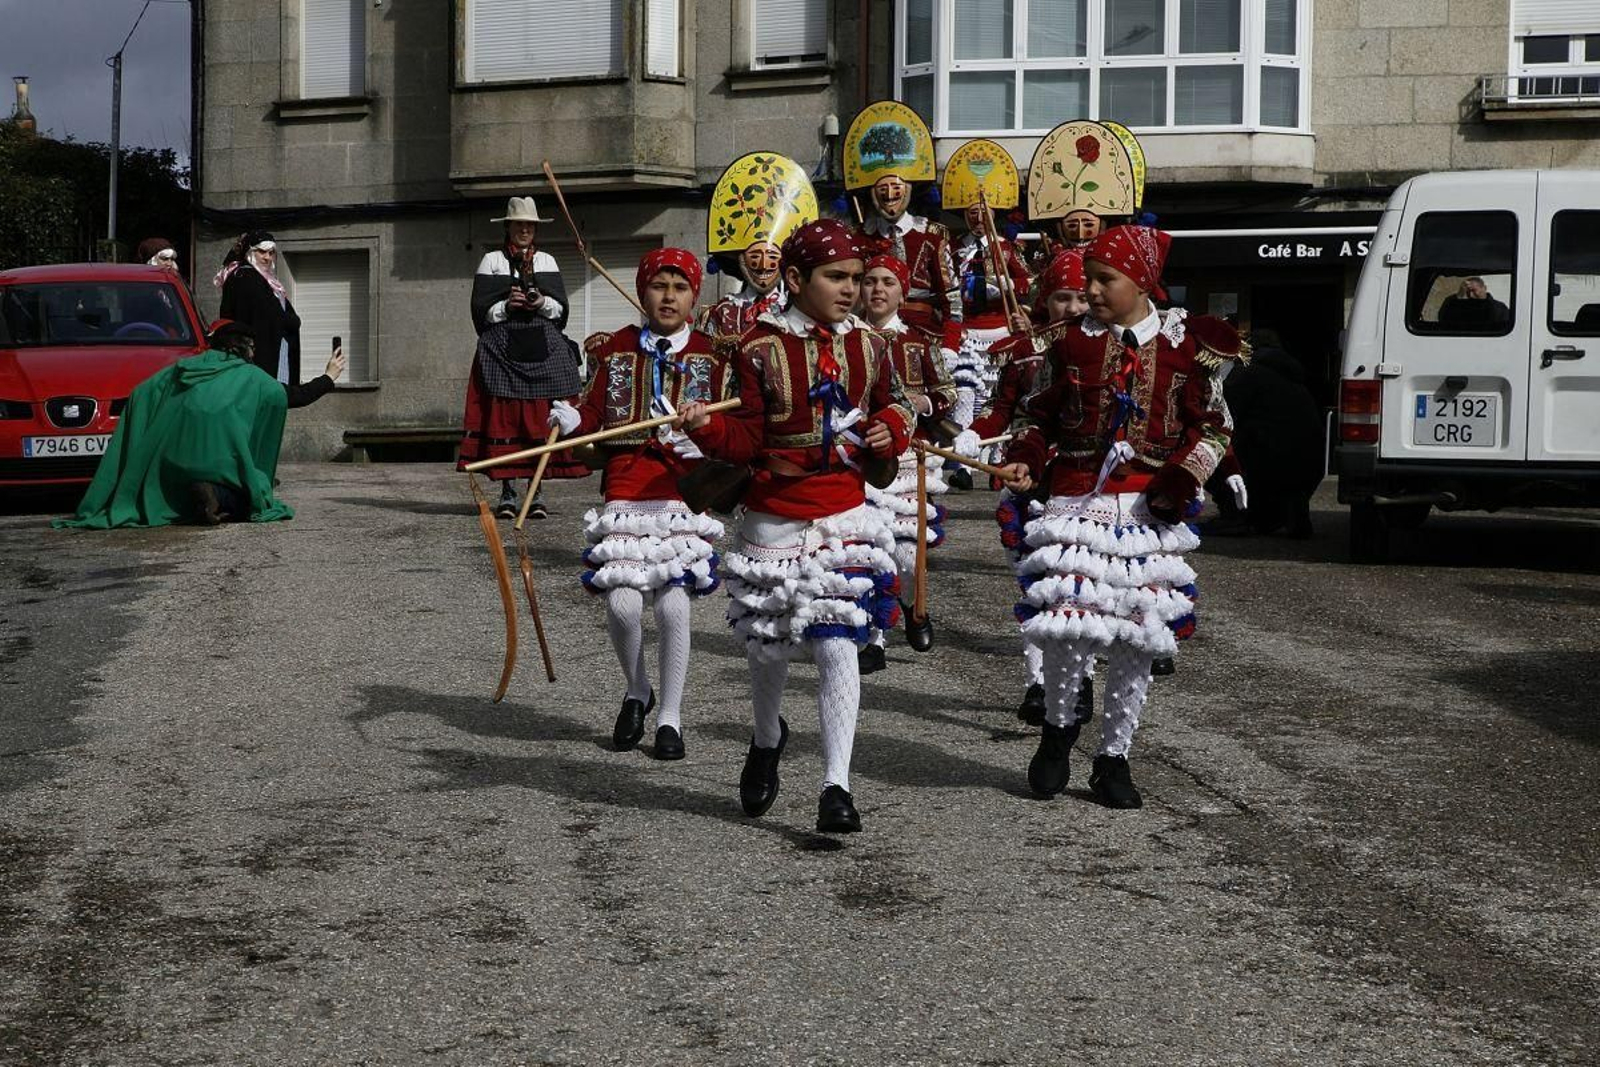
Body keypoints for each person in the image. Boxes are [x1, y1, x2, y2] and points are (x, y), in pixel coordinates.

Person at [675, 219, 916, 834]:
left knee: (838, 644)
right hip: (772, 520)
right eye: (836, 277)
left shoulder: (872, 345)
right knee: (770, 651)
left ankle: (836, 785)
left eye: (857, 279)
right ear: (794, 278)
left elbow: (900, 402)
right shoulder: (757, 348)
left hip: (843, 516)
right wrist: (703, 426)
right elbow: (744, 439)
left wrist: (894, 424)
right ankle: (765, 738)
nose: (850, 289)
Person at [997, 225, 1235, 809]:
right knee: (1070, 630)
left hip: (1150, 512)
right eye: (1088, 281)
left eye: (1106, 281)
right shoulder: (1069, 345)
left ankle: (1113, 758)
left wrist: (1185, 476)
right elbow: (1035, 416)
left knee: (1137, 637)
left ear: (1143, 281)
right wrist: (1026, 457)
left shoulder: (1187, 346)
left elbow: (1215, 427)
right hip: (1078, 504)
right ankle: (1058, 733)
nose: (1093, 292)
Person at [546, 249, 729, 760]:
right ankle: (638, 689)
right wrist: (571, 418)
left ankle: (670, 715)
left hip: (682, 488)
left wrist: (707, 434)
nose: (668, 296)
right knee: (624, 603)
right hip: (627, 486)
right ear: (643, 291)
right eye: (658, 286)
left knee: (673, 605)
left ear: (694, 296)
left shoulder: (713, 354)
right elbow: (592, 409)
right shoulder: (619, 349)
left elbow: (733, 427)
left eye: (679, 287)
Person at [957, 250, 1095, 726]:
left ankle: (1083, 676)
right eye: (1062, 297)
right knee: (1036, 586)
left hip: (1083, 484)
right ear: (1044, 299)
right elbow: (1002, 407)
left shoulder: (1108, 348)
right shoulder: (1022, 349)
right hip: (1026, 477)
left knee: (1082, 588)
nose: (1073, 306)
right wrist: (975, 431)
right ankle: (1038, 682)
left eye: (1081, 296)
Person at [55, 320, 296, 529]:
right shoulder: (255, 378)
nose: (254, 355)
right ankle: (217, 495)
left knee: (179, 492)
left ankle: (198, 495)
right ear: (243, 347)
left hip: (171, 465)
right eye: (252, 348)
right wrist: (327, 377)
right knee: (253, 497)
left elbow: (142, 392)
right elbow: (280, 395)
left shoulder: (182, 369)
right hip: (222, 466)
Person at [857, 252, 958, 670]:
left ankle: (915, 604)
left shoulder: (920, 342)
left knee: (906, 556)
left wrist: (926, 402)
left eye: (888, 282)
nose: (878, 289)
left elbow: (949, 392)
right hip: (863, 457)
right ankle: (874, 637)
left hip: (911, 460)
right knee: (870, 550)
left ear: (902, 292)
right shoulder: (846, 339)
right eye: (870, 281)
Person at [456, 196, 585, 519]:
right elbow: (481, 313)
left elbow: (560, 311)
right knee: (506, 417)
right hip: (503, 350)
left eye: (530, 225)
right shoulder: (491, 262)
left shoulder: (548, 262)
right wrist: (506, 306)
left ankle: (536, 492)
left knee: (542, 416)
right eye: (519, 224)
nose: (524, 230)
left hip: (541, 347)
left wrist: (540, 302)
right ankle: (508, 493)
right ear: (508, 227)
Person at [698, 153, 818, 339]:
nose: (763, 265)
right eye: (754, 256)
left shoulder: (801, 310)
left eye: (772, 257)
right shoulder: (723, 313)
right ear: (741, 260)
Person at [215, 231, 339, 409]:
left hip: (266, 360)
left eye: (271, 253)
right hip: (260, 365)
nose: (267, 257)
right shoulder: (246, 278)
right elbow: (273, 317)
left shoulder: (261, 280)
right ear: (250, 253)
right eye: (261, 252)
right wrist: (291, 321)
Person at [1219, 327, 1322, 538]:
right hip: (1312, 456)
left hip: (1269, 458)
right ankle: (1281, 514)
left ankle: (1238, 514)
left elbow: (1225, 412)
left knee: (1214, 446)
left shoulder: (1250, 371)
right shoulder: (1292, 374)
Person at [1437, 276, 1510, 328]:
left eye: (1474, 290)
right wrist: (1459, 296)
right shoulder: (1458, 304)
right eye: (1468, 292)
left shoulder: (1499, 308)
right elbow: (1443, 319)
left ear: (1484, 288)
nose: (1471, 295)